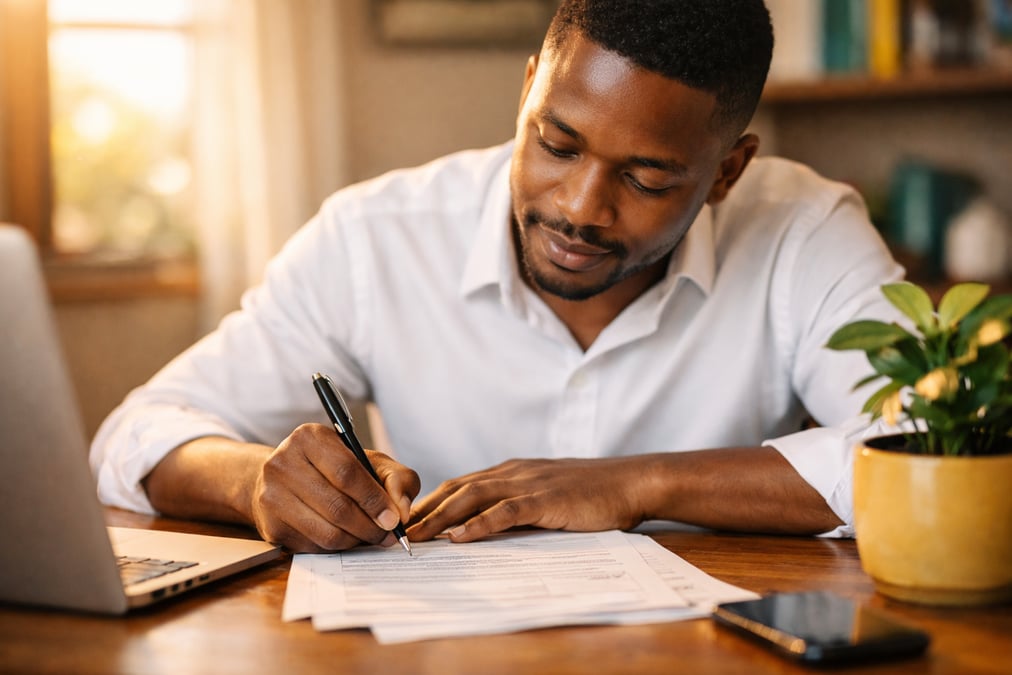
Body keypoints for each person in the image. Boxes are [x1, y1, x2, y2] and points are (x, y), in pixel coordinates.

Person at [91, 0, 903, 553]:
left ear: (727, 171)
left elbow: (933, 452)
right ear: (528, 93)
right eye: (557, 143)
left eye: (647, 180)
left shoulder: (804, 230)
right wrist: (255, 483)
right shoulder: (377, 238)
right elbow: (139, 433)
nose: (581, 207)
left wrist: (635, 483)